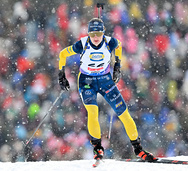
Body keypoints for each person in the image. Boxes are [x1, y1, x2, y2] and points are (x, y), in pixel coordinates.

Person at [58, 18, 157, 162]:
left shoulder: (110, 42)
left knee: (124, 114)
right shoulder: (82, 44)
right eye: (92, 34)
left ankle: (138, 149)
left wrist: (117, 66)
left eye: (99, 33)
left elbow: (119, 46)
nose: (96, 37)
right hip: (87, 82)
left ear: (103, 32)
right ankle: (98, 147)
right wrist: (62, 76)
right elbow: (62, 54)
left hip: (105, 81)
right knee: (93, 112)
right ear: (88, 34)